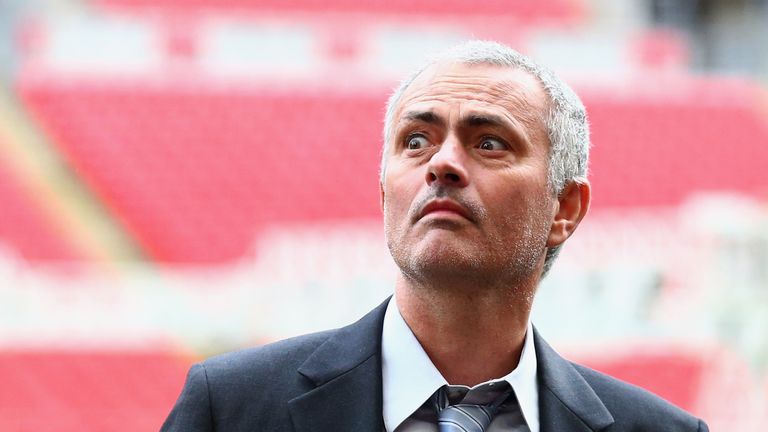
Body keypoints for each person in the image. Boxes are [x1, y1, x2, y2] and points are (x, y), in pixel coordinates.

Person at [161, 40, 709, 432]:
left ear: (564, 208)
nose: (442, 164)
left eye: (489, 143)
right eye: (417, 140)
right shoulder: (230, 408)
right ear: (383, 193)